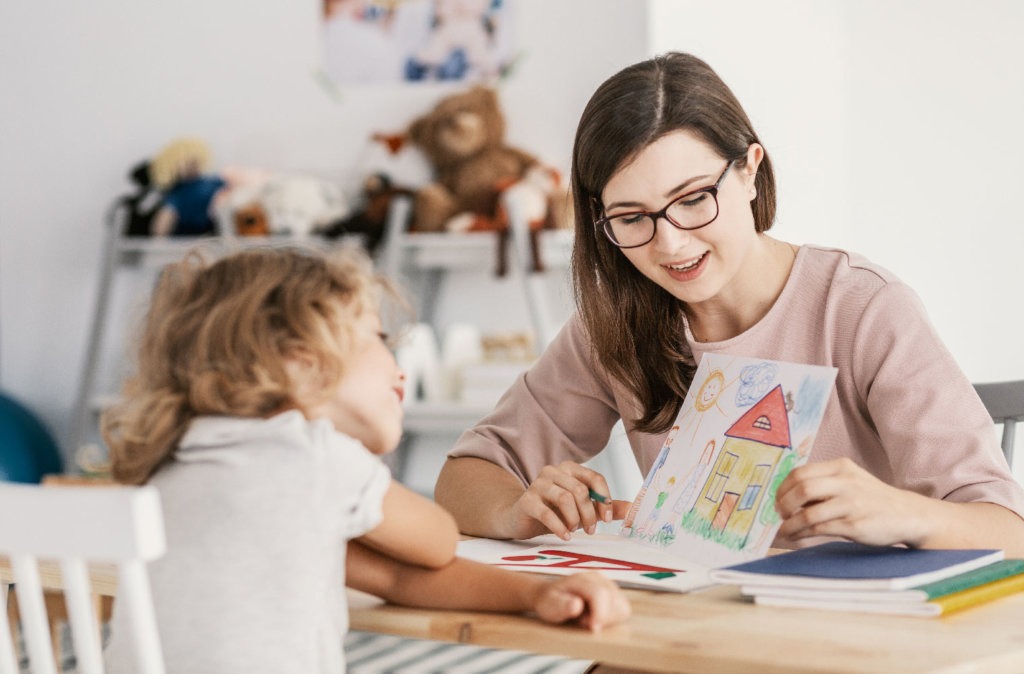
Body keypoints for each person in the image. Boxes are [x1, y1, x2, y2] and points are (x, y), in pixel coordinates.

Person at [434, 52, 1024, 556]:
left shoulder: (863, 308)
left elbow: (1008, 529)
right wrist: (518, 510)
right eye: (632, 217)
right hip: (701, 632)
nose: (671, 243)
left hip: (855, 638)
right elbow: (465, 477)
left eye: (692, 199)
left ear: (749, 171)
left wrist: (906, 513)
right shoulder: (614, 324)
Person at [100, 245, 630, 673]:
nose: (397, 366)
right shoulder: (314, 457)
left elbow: (394, 579)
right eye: (377, 339)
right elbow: (436, 542)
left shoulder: (175, 462)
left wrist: (537, 594)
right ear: (300, 362)